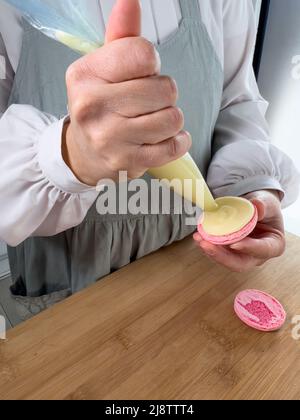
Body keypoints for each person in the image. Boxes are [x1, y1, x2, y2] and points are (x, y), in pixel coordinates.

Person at [0, 0, 298, 322]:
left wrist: (251, 189)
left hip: (195, 262)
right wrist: (67, 155)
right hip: (71, 286)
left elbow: (234, 102)